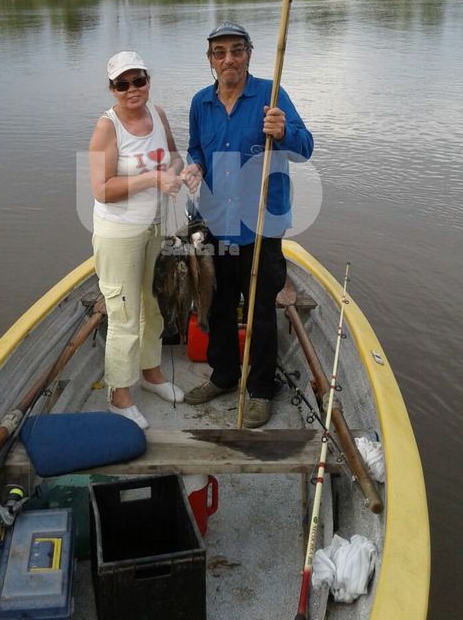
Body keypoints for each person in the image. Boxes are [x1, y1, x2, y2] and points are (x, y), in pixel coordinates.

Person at [180, 22, 313, 428]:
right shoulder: (200, 103)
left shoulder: (271, 96)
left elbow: (305, 148)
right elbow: (196, 148)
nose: (229, 59)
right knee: (218, 304)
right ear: (210, 59)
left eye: (236, 50)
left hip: (261, 225)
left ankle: (261, 389)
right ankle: (224, 375)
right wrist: (196, 167)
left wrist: (284, 131)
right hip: (216, 223)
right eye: (219, 52)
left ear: (249, 54)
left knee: (260, 311)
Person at [89, 50, 184, 429]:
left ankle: (151, 372)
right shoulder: (107, 128)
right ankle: (119, 395)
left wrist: (180, 172)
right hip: (118, 234)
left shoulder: (157, 114)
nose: (132, 89)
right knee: (124, 314)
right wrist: (154, 179)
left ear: (148, 81)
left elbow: (174, 156)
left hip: (154, 228)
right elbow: (102, 189)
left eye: (138, 80)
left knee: (153, 303)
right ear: (112, 89)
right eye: (122, 84)